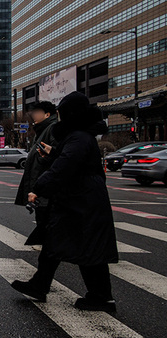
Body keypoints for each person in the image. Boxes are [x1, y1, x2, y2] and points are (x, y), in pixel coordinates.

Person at [11, 92, 119, 312]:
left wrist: (38, 188)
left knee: (86, 249)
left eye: (61, 113)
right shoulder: (79, 137)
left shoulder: (79, 137)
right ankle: (40, 285)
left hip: (82, 203)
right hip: (79, 201)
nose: (59, 118)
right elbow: (69, 161)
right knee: (57, 242)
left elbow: (66, 167)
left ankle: (100, 297)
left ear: (70, 114)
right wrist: (55, 153)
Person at [14, 101, 58, 245]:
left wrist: (47, 156)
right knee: (44, 222)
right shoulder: (41, 131)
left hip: (46, 186)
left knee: (47, 223)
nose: (33, 115)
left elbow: (57, 156)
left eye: (37, 112)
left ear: (47, 114)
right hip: (41, 184)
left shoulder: (52, 129)